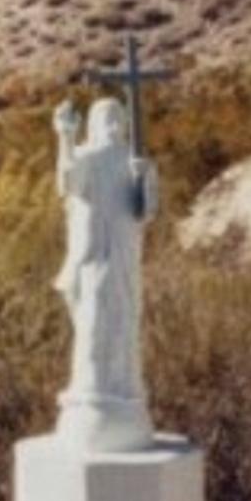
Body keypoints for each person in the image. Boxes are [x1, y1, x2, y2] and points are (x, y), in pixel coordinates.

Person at [51, 95, 157, 444]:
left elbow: (145, 211)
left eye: (118, 118)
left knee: (124, 322)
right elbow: (67, 182)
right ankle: (92, 388)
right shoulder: (87, 159)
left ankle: (124, 387)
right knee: (93, 320)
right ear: (95, 126)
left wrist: (141, 180)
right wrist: (66, 137)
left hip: (124, 259)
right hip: (94, 256)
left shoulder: (136, 162)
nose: (113, 126)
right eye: (106, 119)